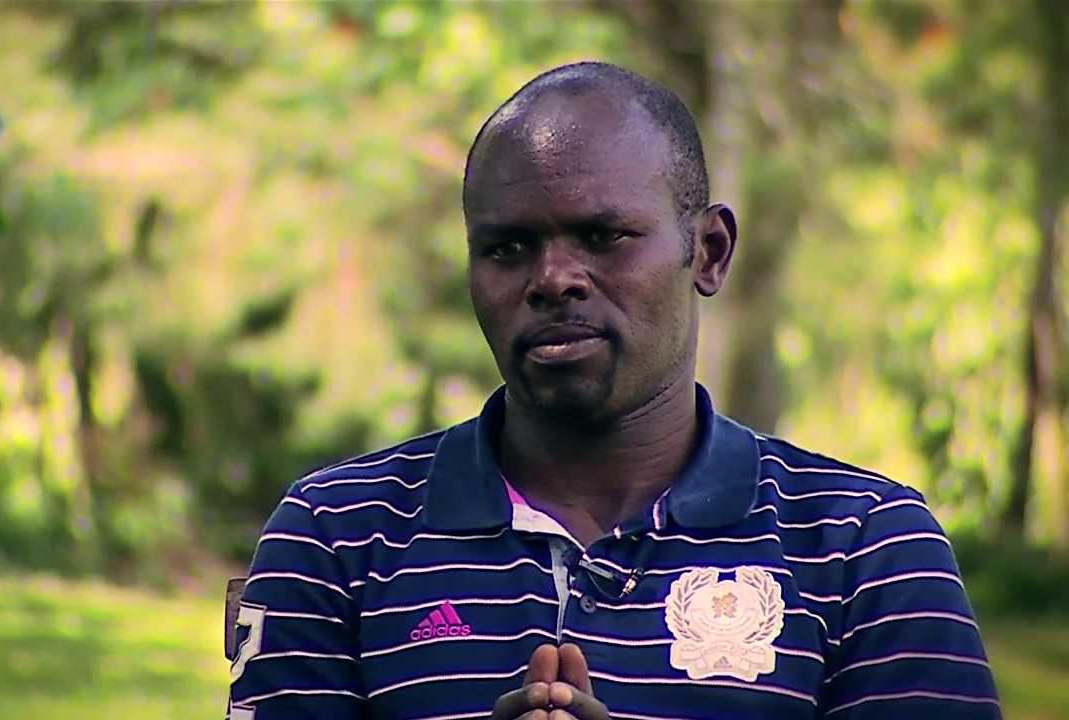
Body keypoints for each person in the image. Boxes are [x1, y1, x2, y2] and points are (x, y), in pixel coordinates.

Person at [226, 61, 1000, 720]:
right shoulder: (336, 539)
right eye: (507, 248)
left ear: (709, 252)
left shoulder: (866, 547)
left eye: (603, 237)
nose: (553, 278)